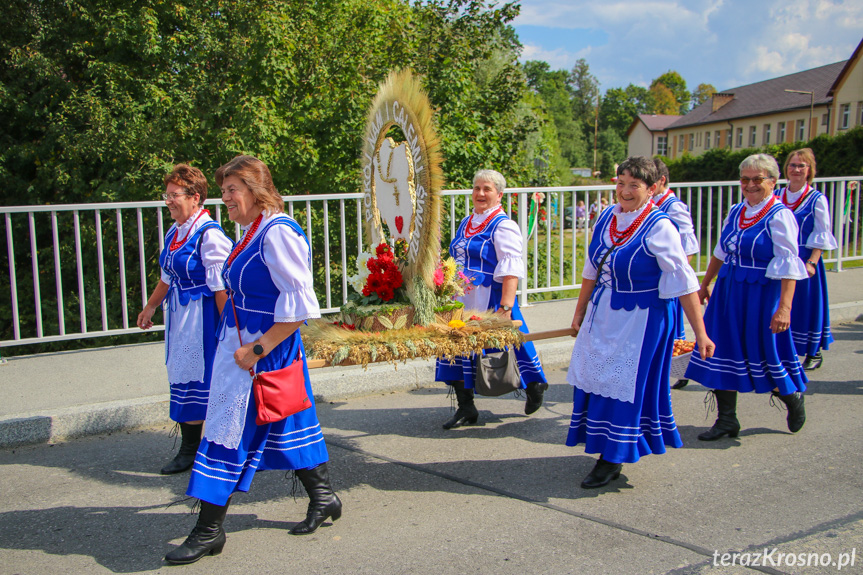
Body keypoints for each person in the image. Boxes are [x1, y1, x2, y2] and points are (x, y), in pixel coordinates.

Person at [164, 155, 341, 565]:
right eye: (224, 190)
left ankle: (208, 530)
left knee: (225, 434)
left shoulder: (278, 233)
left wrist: (255, 350)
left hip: (263, 350)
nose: (225, 198)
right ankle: (324, 496)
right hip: (242, 348)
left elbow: (299, 309)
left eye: (232, 190)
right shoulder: (251, 231)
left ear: (256, 190)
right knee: (285, 418)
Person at [566, 156, 715, 489]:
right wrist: (579, 311)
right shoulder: (606, 217)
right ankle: (606, 445)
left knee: (624, 387)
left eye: (634, 184)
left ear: (652, 188)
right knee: (597, 378)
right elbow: (592, 269)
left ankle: (612, 457)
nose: (625, 190)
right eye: (621, 183)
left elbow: (685, 282)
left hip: (642, 318)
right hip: (603, 313)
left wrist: (700, 333)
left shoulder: (659, 225)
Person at [685, 154, 809, 441]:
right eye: (745, 180)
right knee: (720, 350)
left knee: (764, 352)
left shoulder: (780, 215)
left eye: (758, 179)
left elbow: (790, 264)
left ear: (773, 182)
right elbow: (720, 251)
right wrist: (705, 285)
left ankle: (791, 397)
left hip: (762, 293)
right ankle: (727, 419)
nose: (750, 185)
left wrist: (784, 308)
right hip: (729, 290)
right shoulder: (737, 210)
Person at [137, 164, 232, 475]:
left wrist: (227, 329)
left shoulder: (210, 235)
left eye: (174, 195)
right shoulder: (175, 232)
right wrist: (150, 307)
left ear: (195, 197)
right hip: (181, 319)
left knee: (204, 384)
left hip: (203, 319)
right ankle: (193, 449)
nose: (169, 201)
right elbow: (167, 277)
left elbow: (220, 289)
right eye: (167, 195)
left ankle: (199, 451)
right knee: (185, 379)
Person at [435, 169, 548, 429]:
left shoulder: (504, 225)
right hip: (461, 297)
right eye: (477, 188)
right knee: (455, 347)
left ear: (499, 194)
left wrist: (506, 308)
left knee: (510, 345)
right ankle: (466, 407)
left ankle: (534, 385)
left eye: (487, 189)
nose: (480, 194)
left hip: (491, 296)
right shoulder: (467, 221)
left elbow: (510, 270)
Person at [778, 148, 837, 370]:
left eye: (801, 165)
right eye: (792, 165)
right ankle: (784, 349)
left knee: (806, 305)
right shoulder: (777, 195)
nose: (796, 169)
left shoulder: (816, 199)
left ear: (809, 170)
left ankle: (813, 352)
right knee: (782, 304)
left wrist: (812, 261)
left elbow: (821, 233)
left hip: (804, 258)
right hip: (783, 258)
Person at [652, 158, 700, 390]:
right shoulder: (652, 204)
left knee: (672, 329)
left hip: (668, 280)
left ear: (661, 180)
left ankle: (680, 369)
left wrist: (674, 277)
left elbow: (688, 248)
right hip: (656, 280)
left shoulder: (674, 207)